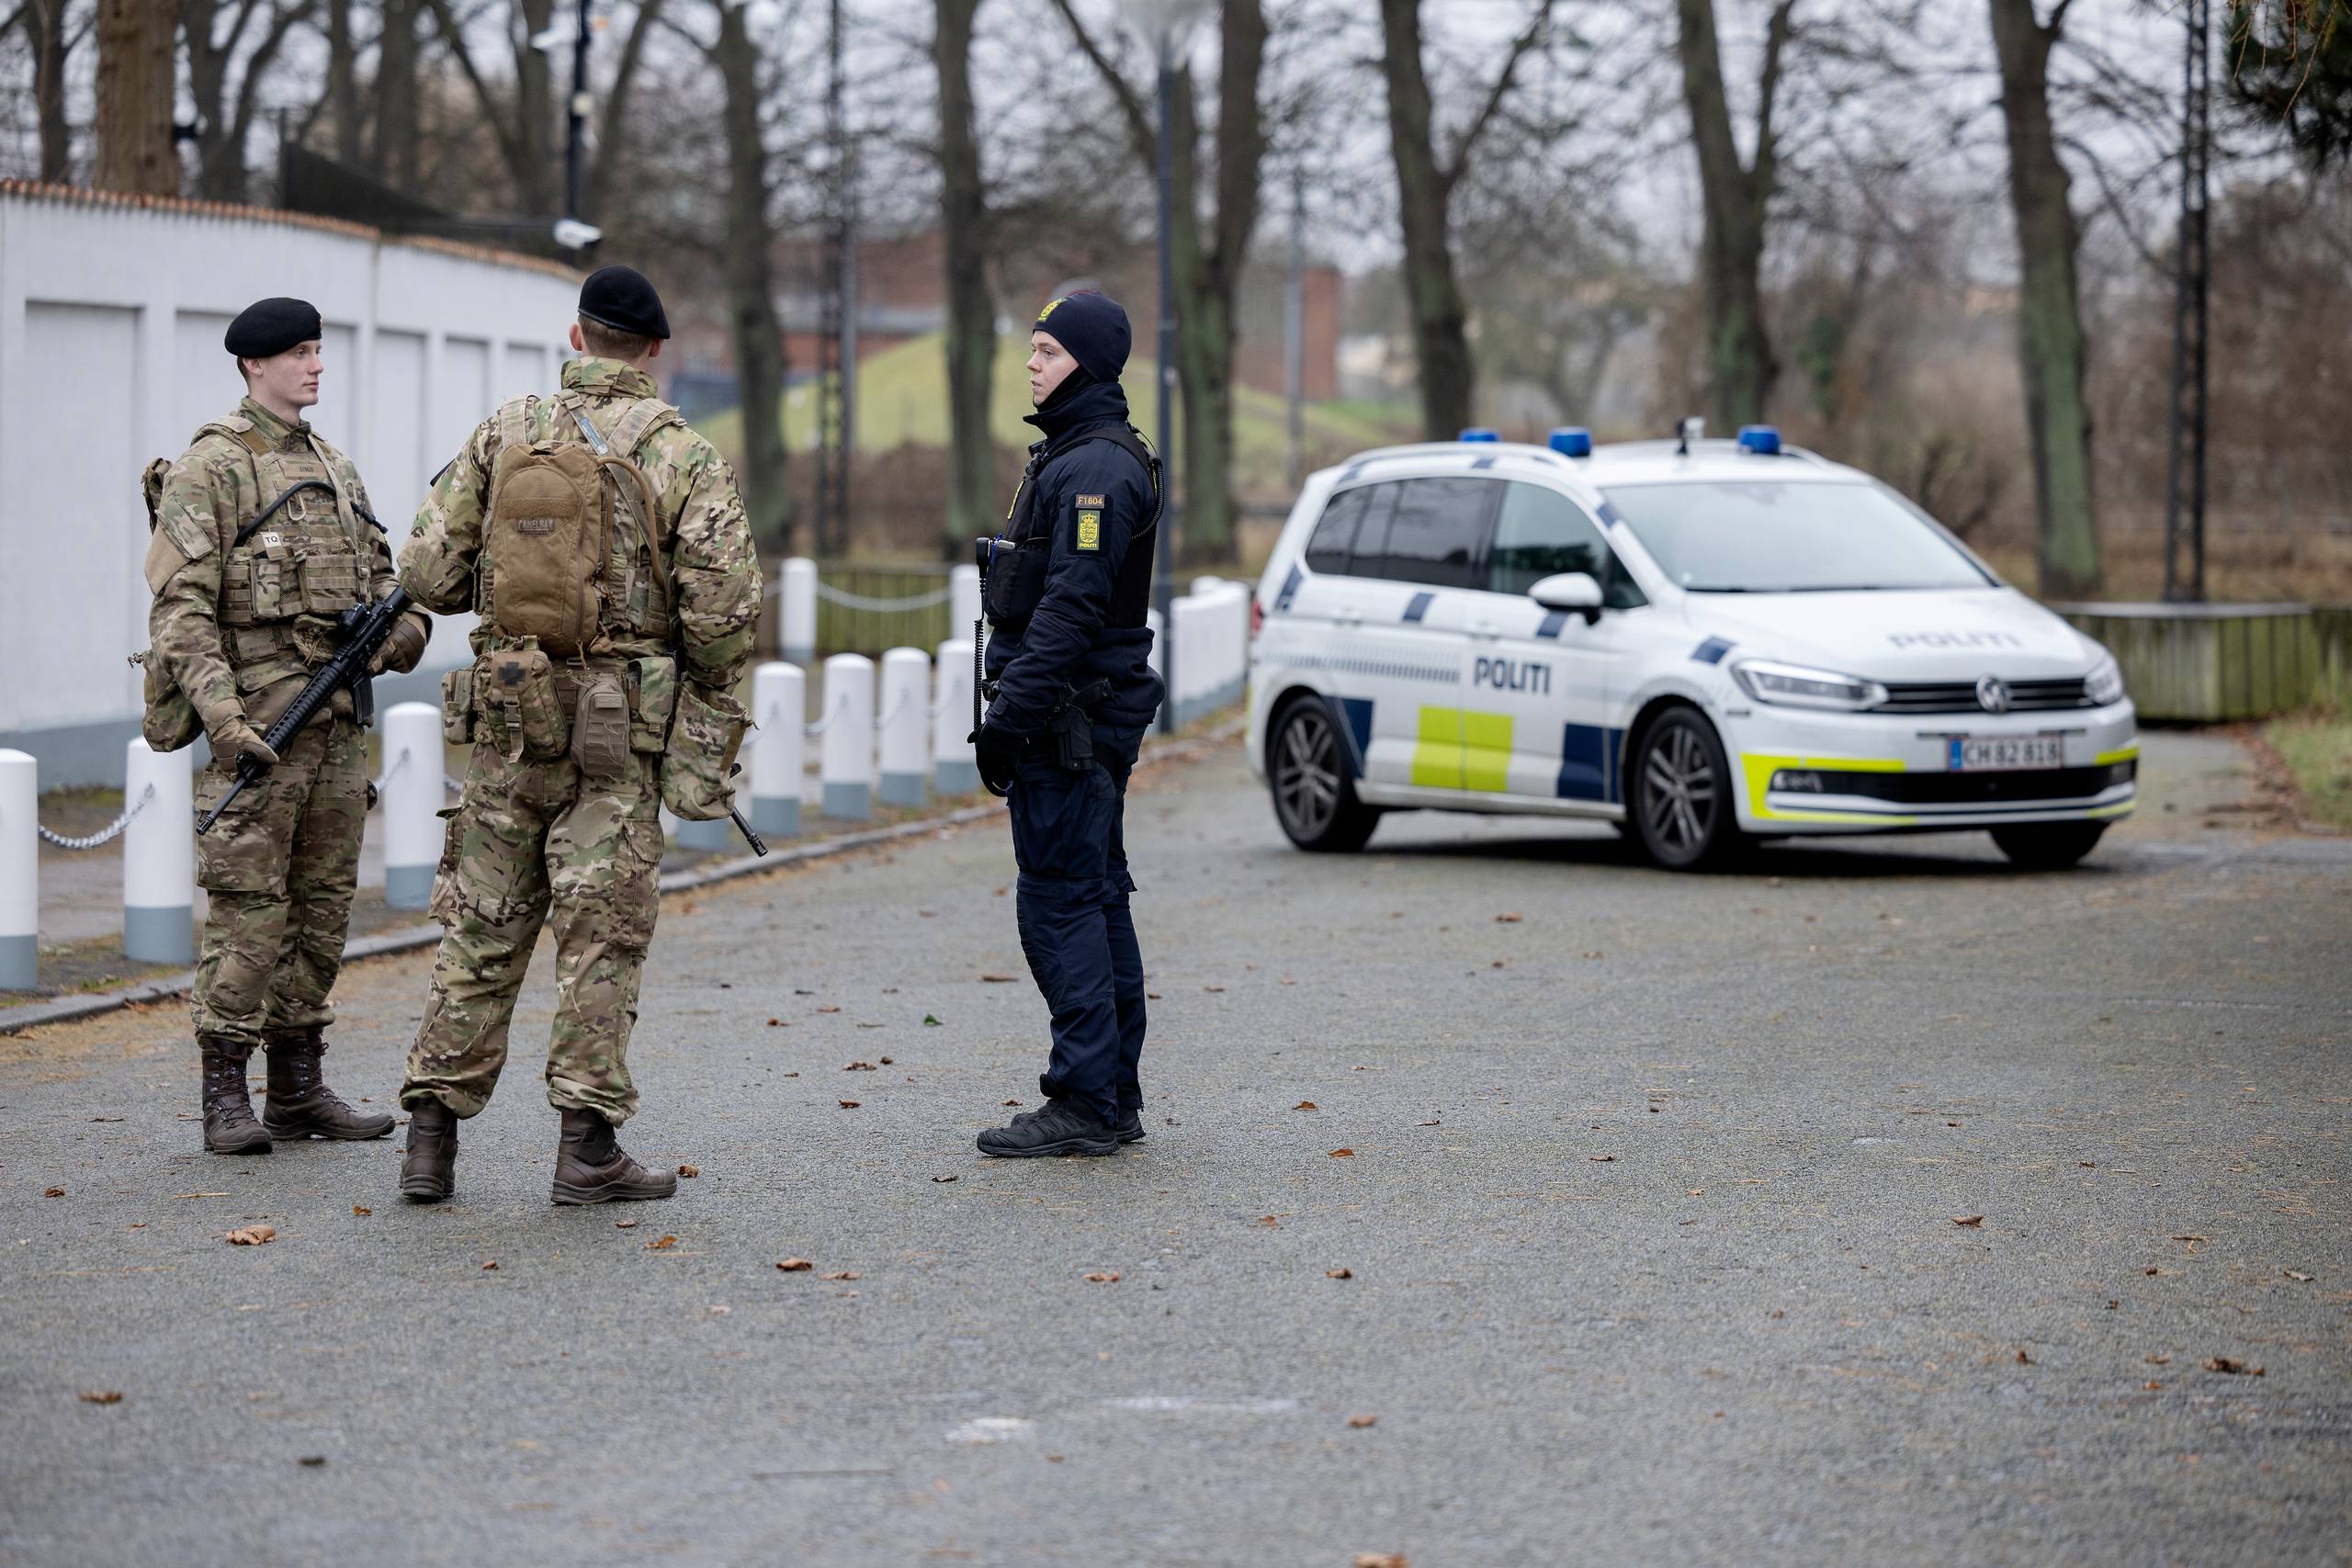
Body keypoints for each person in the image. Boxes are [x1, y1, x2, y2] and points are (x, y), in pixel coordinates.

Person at [393, 265, 760, 1205]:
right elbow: (723, 616)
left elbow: (428, 574)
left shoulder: (503, 433)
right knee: (600, 939)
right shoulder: (681, 452)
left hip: (508, 723)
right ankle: (586, 1151)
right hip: (616, 739)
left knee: (481, 929)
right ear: (655, 350)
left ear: (575, 336)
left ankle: (428, 1144)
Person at [145, 297, 432, 1155]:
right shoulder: (212, 468)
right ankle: (224, 1094)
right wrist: (223, 719)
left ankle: (298, 1090)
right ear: (254, 364)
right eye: (300, 353)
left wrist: (400, 640)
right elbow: (181, 610)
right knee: (249, 914)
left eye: (317, 349)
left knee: (322, 909)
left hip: (338, 728)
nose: (315, 365)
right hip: (261, 733)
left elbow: (392, 587)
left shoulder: (336, 470)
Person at [970, 291, 1166, 1157]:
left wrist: (1009, 719)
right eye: (1033, 348)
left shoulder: (1095, 471)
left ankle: (1086, 1098)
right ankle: (1110, 1095)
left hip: (1068, 722)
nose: (1032, 363)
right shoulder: (1080, 454)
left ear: (1085, 364)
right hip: (1076, 715)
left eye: (1048, 351)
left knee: (1060, 901)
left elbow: (1071, 608)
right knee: (1093, 894)